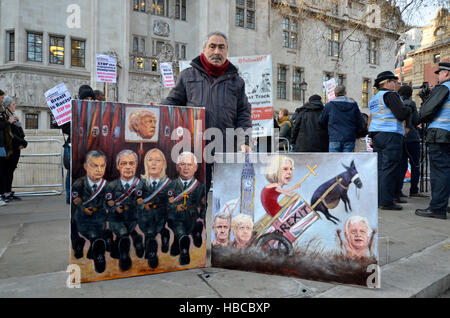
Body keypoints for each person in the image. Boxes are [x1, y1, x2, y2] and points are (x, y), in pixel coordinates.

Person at [159, 31, 252, 193]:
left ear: (227, 51)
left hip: (226, 148)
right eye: (212, 46)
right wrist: (156, 110)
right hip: (195, 149)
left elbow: (243, 112)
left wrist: (244, 140)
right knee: (197, 198)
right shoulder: (187, 76)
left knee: (227, 198)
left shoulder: (237, 81)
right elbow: (173, 102)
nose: (217, 52)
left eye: (221, 47)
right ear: (204, 49)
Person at [368, 71, 411, 210]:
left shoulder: (375, 99)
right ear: (388, 83)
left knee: (381, 169)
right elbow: (400, 114)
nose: (396, 85)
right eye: (395, 82)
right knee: (390, 169)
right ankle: (386, 202)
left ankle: (380, 199)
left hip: (378, 136)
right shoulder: (390, 95)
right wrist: (408, 109)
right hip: (390, 135)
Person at [415, 62, 450, 220]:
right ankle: (443, 205)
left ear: (447, 74)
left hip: (440, 134)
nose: (438, 77)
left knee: (439, 173)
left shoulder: (445, 87)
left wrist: (419, 116)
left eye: (439, 73)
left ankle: (437, 208)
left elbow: (427, 110)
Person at [105, 150, 145, 271]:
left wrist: (141, 204)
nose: (128, 167)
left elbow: (145, 203)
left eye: (131, 163)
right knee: (123, 234)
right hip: (116, 220)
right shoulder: (111, 186)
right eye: (124, 163)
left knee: (125, 235)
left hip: (132, 219)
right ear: (118, 166)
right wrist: (114, 207)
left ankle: (118, 247)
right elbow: (106, 203)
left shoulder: (141, 185)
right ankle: (124, 258)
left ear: (136, 165)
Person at [71, 150, 108, 273]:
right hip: (84, 219)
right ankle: (94, 253)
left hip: (100, 218)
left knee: (101, 237)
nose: (99, 169)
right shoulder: (79, 184)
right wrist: (83, 208)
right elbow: (76, 200)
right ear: (86, 166)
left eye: (102, 166)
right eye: (94, 165)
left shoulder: (106, 185)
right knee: (93, 236)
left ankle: (97, 254)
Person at [167, 152, 206, 266]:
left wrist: (202, 217)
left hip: (192, 217)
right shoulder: (171, 185)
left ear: (195, 167)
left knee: (185, 230)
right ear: (177, 167)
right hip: (175, 218)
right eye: (182, 164)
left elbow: (204, 204)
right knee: (180, 232)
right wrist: (175, 207)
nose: (186, 168)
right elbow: (167, 203)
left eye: (189, 164)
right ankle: (184, 252)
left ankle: (179, 242)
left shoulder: (200, 187)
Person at [136, 148, 171, 269]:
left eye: (158, 160)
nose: (154, 163)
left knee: (151, 233)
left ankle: (152, 254)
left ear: (163, 164)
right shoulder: (141, 182)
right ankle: (154, 244)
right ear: (146, 164)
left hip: (160, 216)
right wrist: (140, 203)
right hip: (144, 216)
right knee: (148, 231)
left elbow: (170, 201)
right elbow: (137, 198)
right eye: (150, 160)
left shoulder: (168, 183)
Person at [396, 85, 426, 198]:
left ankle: (399, 190)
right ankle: (414, 190)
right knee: (415, 164)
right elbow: (416, 120)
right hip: (412, 137)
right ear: (410, 93)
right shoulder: (411, 103)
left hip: (401, 136)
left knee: (402, 165)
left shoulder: (397, 103)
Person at [319, 85, 365, 152]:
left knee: (334, 160)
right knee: (347, 161)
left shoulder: (330, 105)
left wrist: (329, 129)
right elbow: (359, 121)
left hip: (334, 137)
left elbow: (321, 121)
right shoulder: (353, 104)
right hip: (349, 136)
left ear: (335, 94)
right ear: (345, 92)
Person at [1, 96, 27, 202]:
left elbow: (20, 131)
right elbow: (10, 134)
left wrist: (23, 142)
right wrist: (22, 142)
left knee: (11, 171)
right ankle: (5, 193)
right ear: (7, 106)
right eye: (13, 104)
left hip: (17, 147)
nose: (15, 106)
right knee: (7, 171)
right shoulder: (7, 117)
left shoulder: (13, 116)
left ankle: (8, 191)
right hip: (11, 148)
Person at [0, 90, 16, 207]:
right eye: (1, 98)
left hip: (3, 145)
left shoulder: (2, 112)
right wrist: (8, 122)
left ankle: (2, 194)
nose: (2, 100)